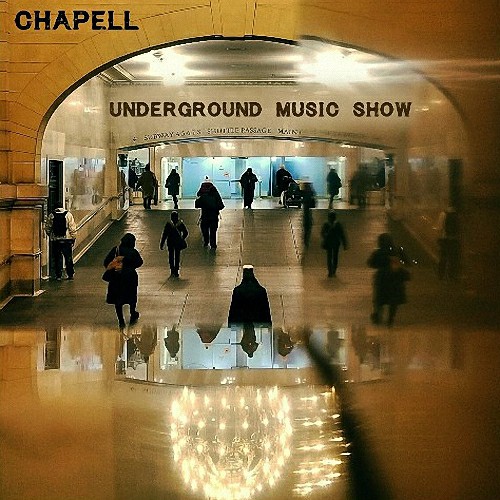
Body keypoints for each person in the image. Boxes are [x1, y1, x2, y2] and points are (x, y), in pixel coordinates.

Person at [367, 233, 410, 326]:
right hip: (396, 278)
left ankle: (378, 316)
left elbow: (371, 263)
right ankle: (391, 319)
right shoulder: (398, 251)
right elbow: (407, 262)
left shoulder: (378, 253)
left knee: (379, 299)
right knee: (393, 300)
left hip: (382, 278)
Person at [103, 233, 143, 329]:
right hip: (130, 278)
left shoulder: (116, 250)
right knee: (132, 297)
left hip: (117, 277)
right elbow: (139, 262)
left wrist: (115, 265)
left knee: (118, 300)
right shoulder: (133, 252)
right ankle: (133, 313)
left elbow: (106, 262)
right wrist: (129, 264)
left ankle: (121, 320)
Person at [45, 204, 78, 280]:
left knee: (57, 258)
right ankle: (70, 274)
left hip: (56, 240)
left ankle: (58, 275)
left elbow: (48, 227)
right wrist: (73, 237)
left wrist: (50, 235)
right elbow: (72, 227)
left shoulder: (51, 215)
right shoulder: (68, 214)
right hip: (67, 240)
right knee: (68, 257)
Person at [195, 176, 225, 250]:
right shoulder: (216, 194)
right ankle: (213, 245)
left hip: (205, 216)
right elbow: (221, 205)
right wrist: (215, 207)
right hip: (214, 216)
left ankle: (206, 241)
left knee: (204, 229)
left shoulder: (202, 195)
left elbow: (197, 205)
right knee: (213, 231)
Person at [159, 211, 189, 278]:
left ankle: (172, 270)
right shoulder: (180, 224)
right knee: (177, 256)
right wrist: (182, 238)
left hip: (170, 242)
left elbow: (164, 234)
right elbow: (186, 232)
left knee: (171, 256)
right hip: (177, 242)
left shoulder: (168, 224)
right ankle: (176, 270)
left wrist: (162, 243)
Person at [321, 211, 348, 277]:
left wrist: (325, 236)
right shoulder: (338, 224)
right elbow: (342, 234)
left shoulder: (326, 224)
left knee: (330, 257)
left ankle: (330, 271)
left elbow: (322, 233)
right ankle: (333, 270)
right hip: (336, 243)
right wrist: (344, 244)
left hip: (329, 242)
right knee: (335, 257)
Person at [436, 207, 460, 280]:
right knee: (453, 258)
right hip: (454, 239)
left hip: (445, 239)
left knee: (443, 257)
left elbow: (439, 228)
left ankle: (441, 275)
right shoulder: (457, 214)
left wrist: (438, 239)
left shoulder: (443, 214)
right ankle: (451, 276)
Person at [301, 181, 316, 247]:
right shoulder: (311, 192)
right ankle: (306, 240)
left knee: (306, 228)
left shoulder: (305, 193)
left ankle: (305, 240)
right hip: (308, 212)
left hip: (306, 212)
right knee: (308, 228)